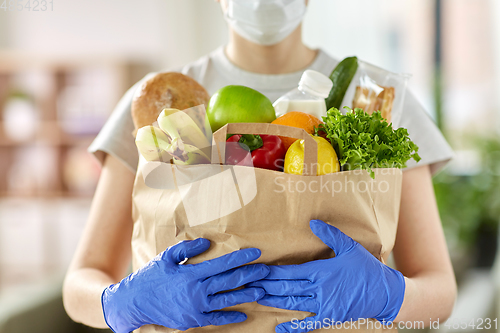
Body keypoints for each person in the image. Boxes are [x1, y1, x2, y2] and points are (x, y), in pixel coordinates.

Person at [63, 0, 457, 332]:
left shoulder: (378, 99)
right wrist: (123, 304)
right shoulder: (158, 108)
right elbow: (78, 286)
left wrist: (389, 295)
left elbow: (440, 292)